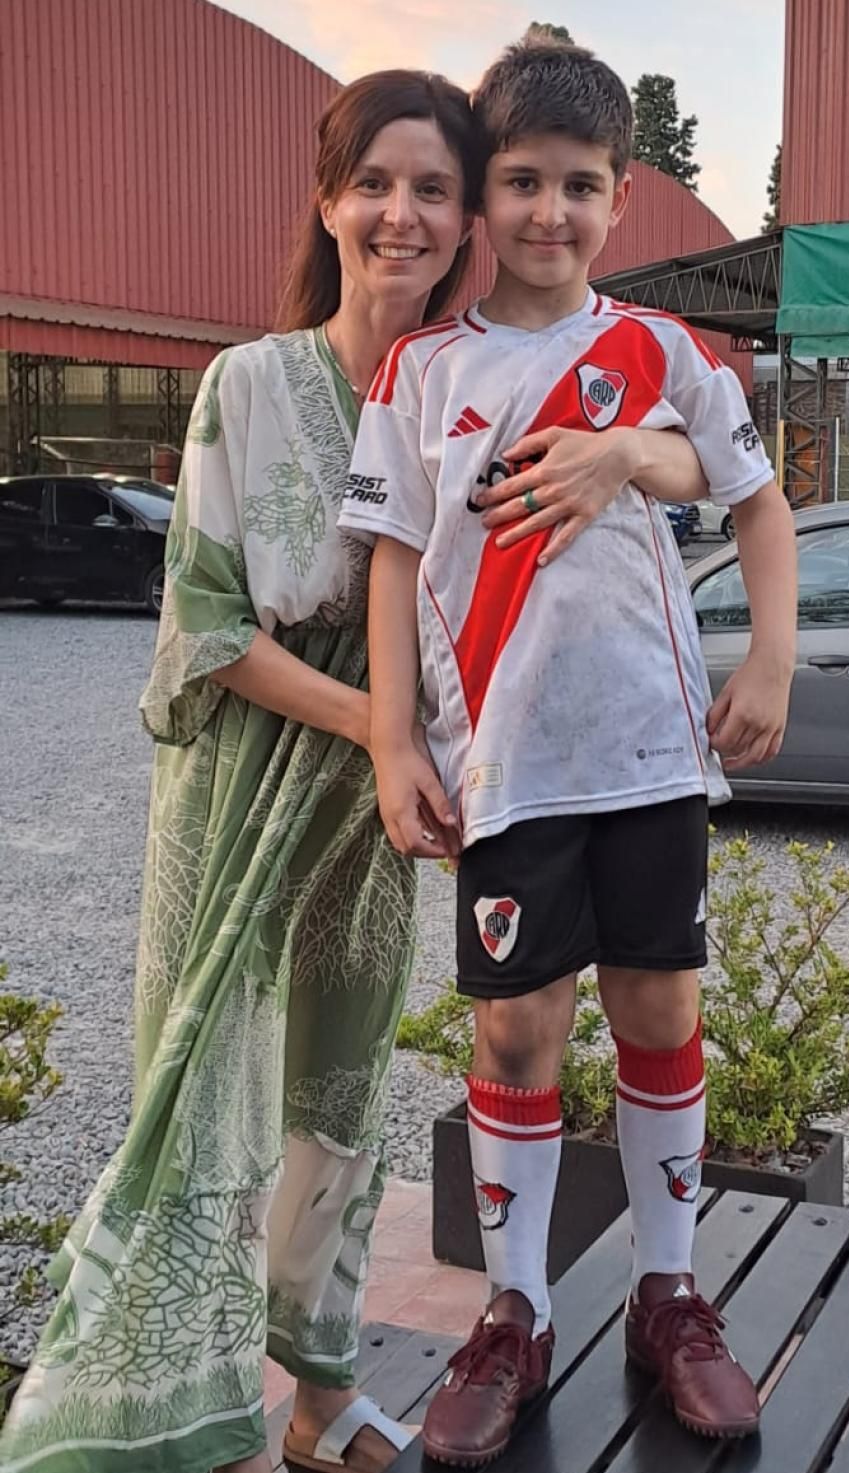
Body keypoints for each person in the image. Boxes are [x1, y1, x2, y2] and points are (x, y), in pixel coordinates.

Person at [0, 67, 707, 1473]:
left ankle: (320, 1399)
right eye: (372, 184)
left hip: (379, 819)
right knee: (207, 1100)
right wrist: (390, 724)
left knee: (336, 1096)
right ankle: (171, 1411)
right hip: (251, 802)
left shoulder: (468, 376)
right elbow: (208, 630)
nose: (402, 214)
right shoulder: (248, 384)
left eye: (433, 188)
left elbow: (651, 485)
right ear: (327, 202)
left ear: (469, 216)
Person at [338, 38, 797, 1469]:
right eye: (524, 181)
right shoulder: (421, 370)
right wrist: (391, 740)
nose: (551, 211)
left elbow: (758, 501)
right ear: (485, 194)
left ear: (621, 198)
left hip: (652, 752)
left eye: (581, 185)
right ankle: (516, 1309)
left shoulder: (661, 351)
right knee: (516, 1030)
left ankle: (671, 1292)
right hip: (506, 767)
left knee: (659, 1011)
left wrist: (771, 657)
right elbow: (392, 561)